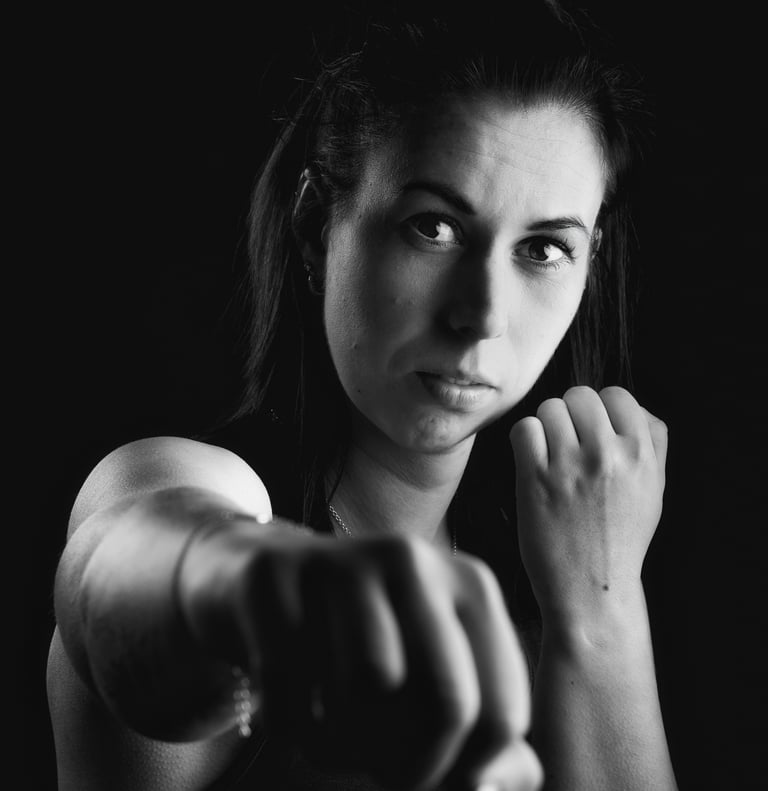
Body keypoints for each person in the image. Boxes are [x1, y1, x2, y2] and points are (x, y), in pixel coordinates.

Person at [46, 2, 679, 789]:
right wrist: (263, 589)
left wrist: (600, 615)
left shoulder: (555, 580)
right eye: (433, 228)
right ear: (317, 227)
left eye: (544, 248)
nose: (480, 314)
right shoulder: (213, 492)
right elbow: (118, 561)